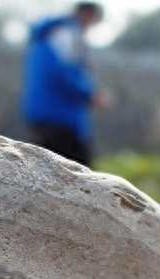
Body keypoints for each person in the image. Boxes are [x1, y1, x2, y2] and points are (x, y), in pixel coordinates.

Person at [22, 2, 112, 167]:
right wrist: (90, 94)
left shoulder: (50, 34)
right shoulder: (66, 35)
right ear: (87, 14)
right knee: (84, 179)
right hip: (62, 119)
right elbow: (62, 73)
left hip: (43, 117)